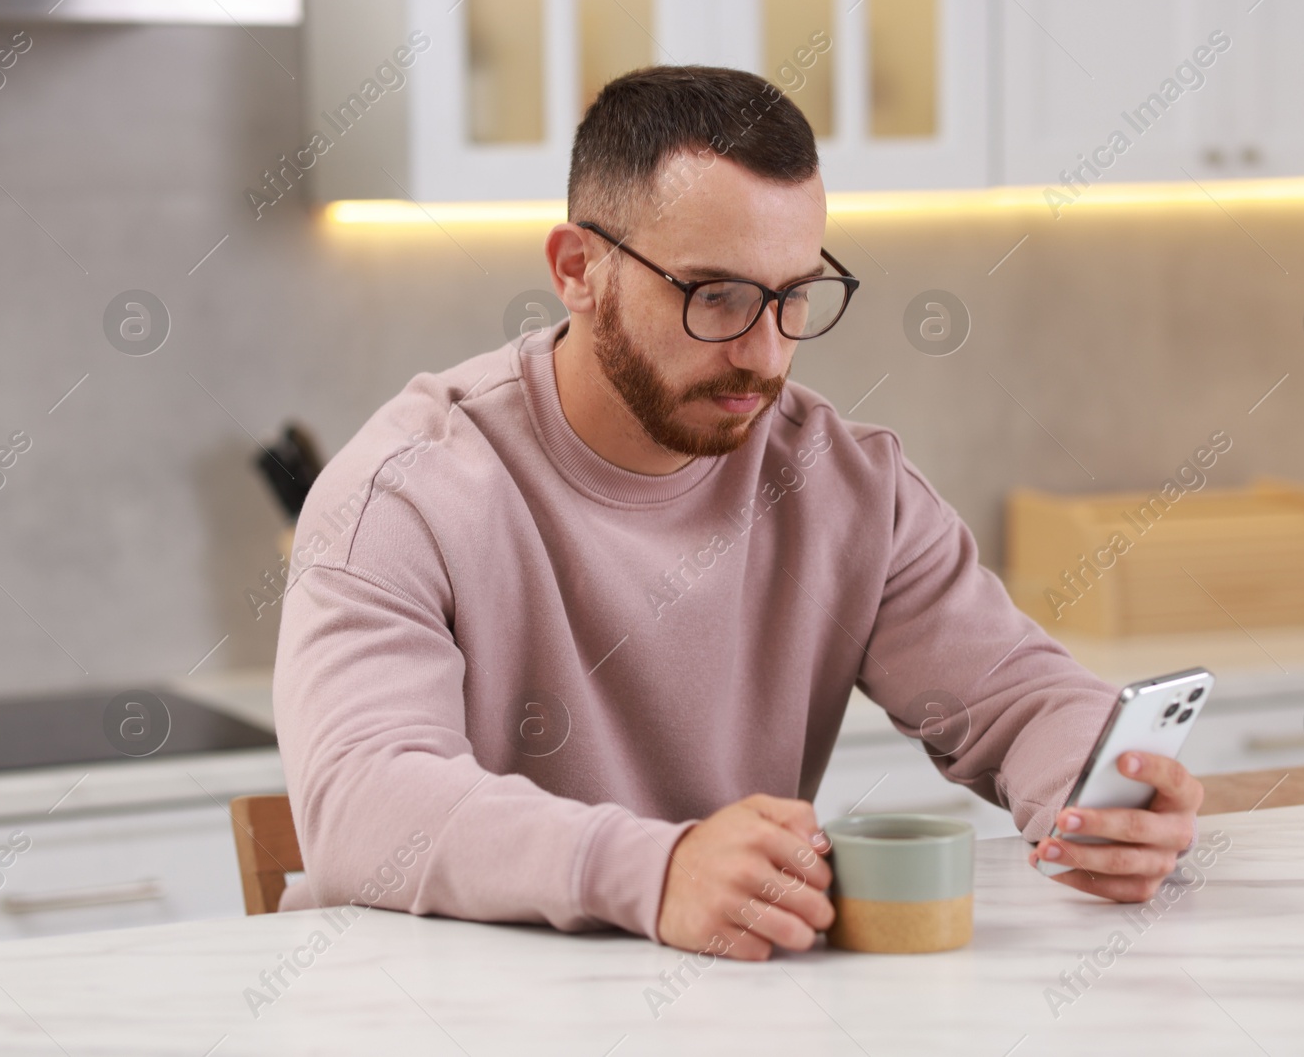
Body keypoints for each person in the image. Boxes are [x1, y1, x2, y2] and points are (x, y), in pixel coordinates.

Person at [273, 65, 1203, 962]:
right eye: (714, 295)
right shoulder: (403, 494)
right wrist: (656, 868)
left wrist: (1098, 793)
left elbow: (1017, 697)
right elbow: (364, 803)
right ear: (577, 268)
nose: (763, 353)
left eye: (795, 296)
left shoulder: (842, 482)